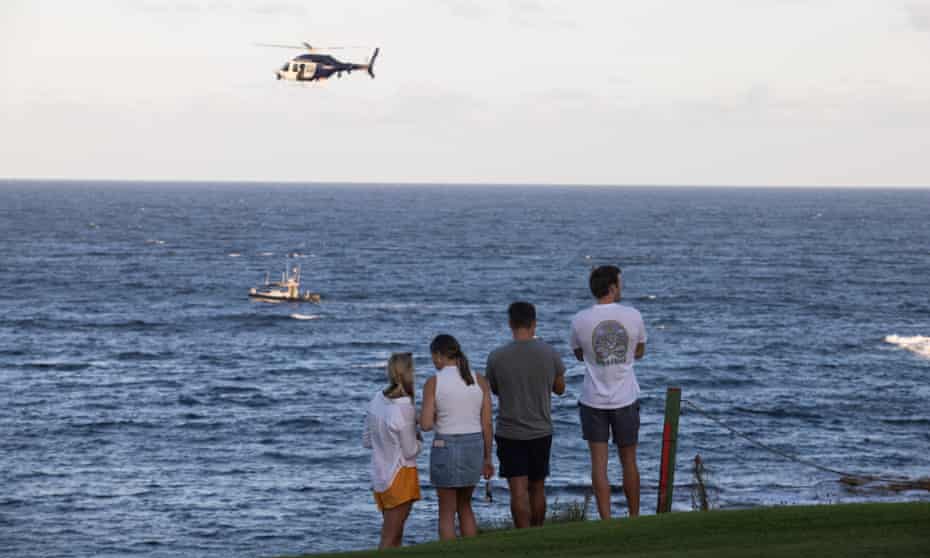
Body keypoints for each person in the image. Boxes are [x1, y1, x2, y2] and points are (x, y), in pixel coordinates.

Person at [569, 265, 647, 519]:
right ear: (612, 287)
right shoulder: (633, 315)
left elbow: (579, 354)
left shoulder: (579, 320)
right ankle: (634, 516)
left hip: (593, 399)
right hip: (625, 398)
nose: (622, 287)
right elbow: (640, 351)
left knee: (599, 464)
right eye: (620, 283)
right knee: (629, 461)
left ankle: (606, 520)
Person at [486, 301, 566, 528]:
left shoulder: (496, 357)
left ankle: (522, 534)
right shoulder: (549, 353)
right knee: (538, 487)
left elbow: (495, 390)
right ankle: (537, 532)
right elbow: (560, 388)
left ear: (510, 323)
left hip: (509, 431)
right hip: (540, 429)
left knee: (518, 489)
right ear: (534, 323)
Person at [420, 334, 494, 540]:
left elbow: (425, 425)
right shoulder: (479, 380)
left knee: (446, 510)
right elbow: (487, 424)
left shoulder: (434, 382)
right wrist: (488, 458)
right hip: (474, 445)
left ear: (438, 355)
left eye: (433, 357)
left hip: (445, 446)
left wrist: (431, 414)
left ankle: (448, 552)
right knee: (465, 506)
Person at [362, 353, 422, 549]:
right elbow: (410, 451)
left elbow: (367, 441)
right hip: (400, 475)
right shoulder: (405, 407)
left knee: (394, 535)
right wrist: (419, 438)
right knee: (390, 536)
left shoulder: (377, 399)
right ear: (409, 373)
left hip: (380, 476)